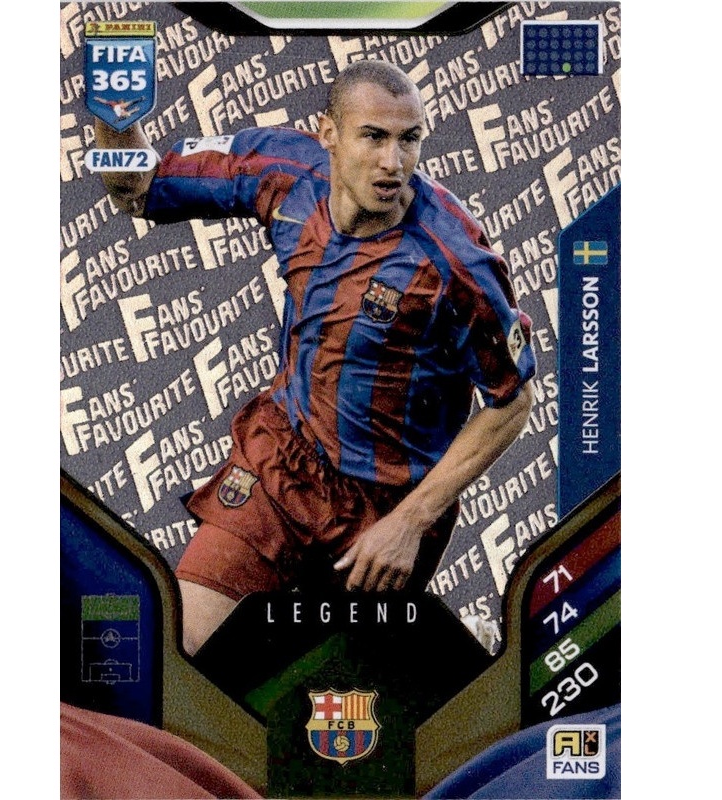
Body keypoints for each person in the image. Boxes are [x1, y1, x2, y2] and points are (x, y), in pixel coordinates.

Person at [96, 60, 536, 656]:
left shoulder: (457, 260)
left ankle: (467, 654)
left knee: (321, 697)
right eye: (373, 137)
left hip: (380, 515)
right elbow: (137, 186)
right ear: (328, 133)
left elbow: (512, 400)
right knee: (181, 654)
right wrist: (113, 107)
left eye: (409, 139)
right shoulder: (286, 173)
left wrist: (410, 522)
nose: (393, 161)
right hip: (282, 462)